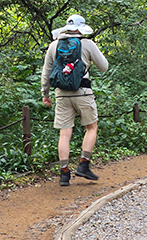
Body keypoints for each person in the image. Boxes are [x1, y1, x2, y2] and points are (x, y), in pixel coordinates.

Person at [41, 14, 108, 186]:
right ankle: (83, 165)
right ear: (81, 28)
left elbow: (46, 73)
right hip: (83, 91)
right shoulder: (87, 44)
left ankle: (64, 174)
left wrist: (45, 94)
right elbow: (104, 67)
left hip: (61, 94)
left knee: (64, 133)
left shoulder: (54, 45)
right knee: (91, 127)